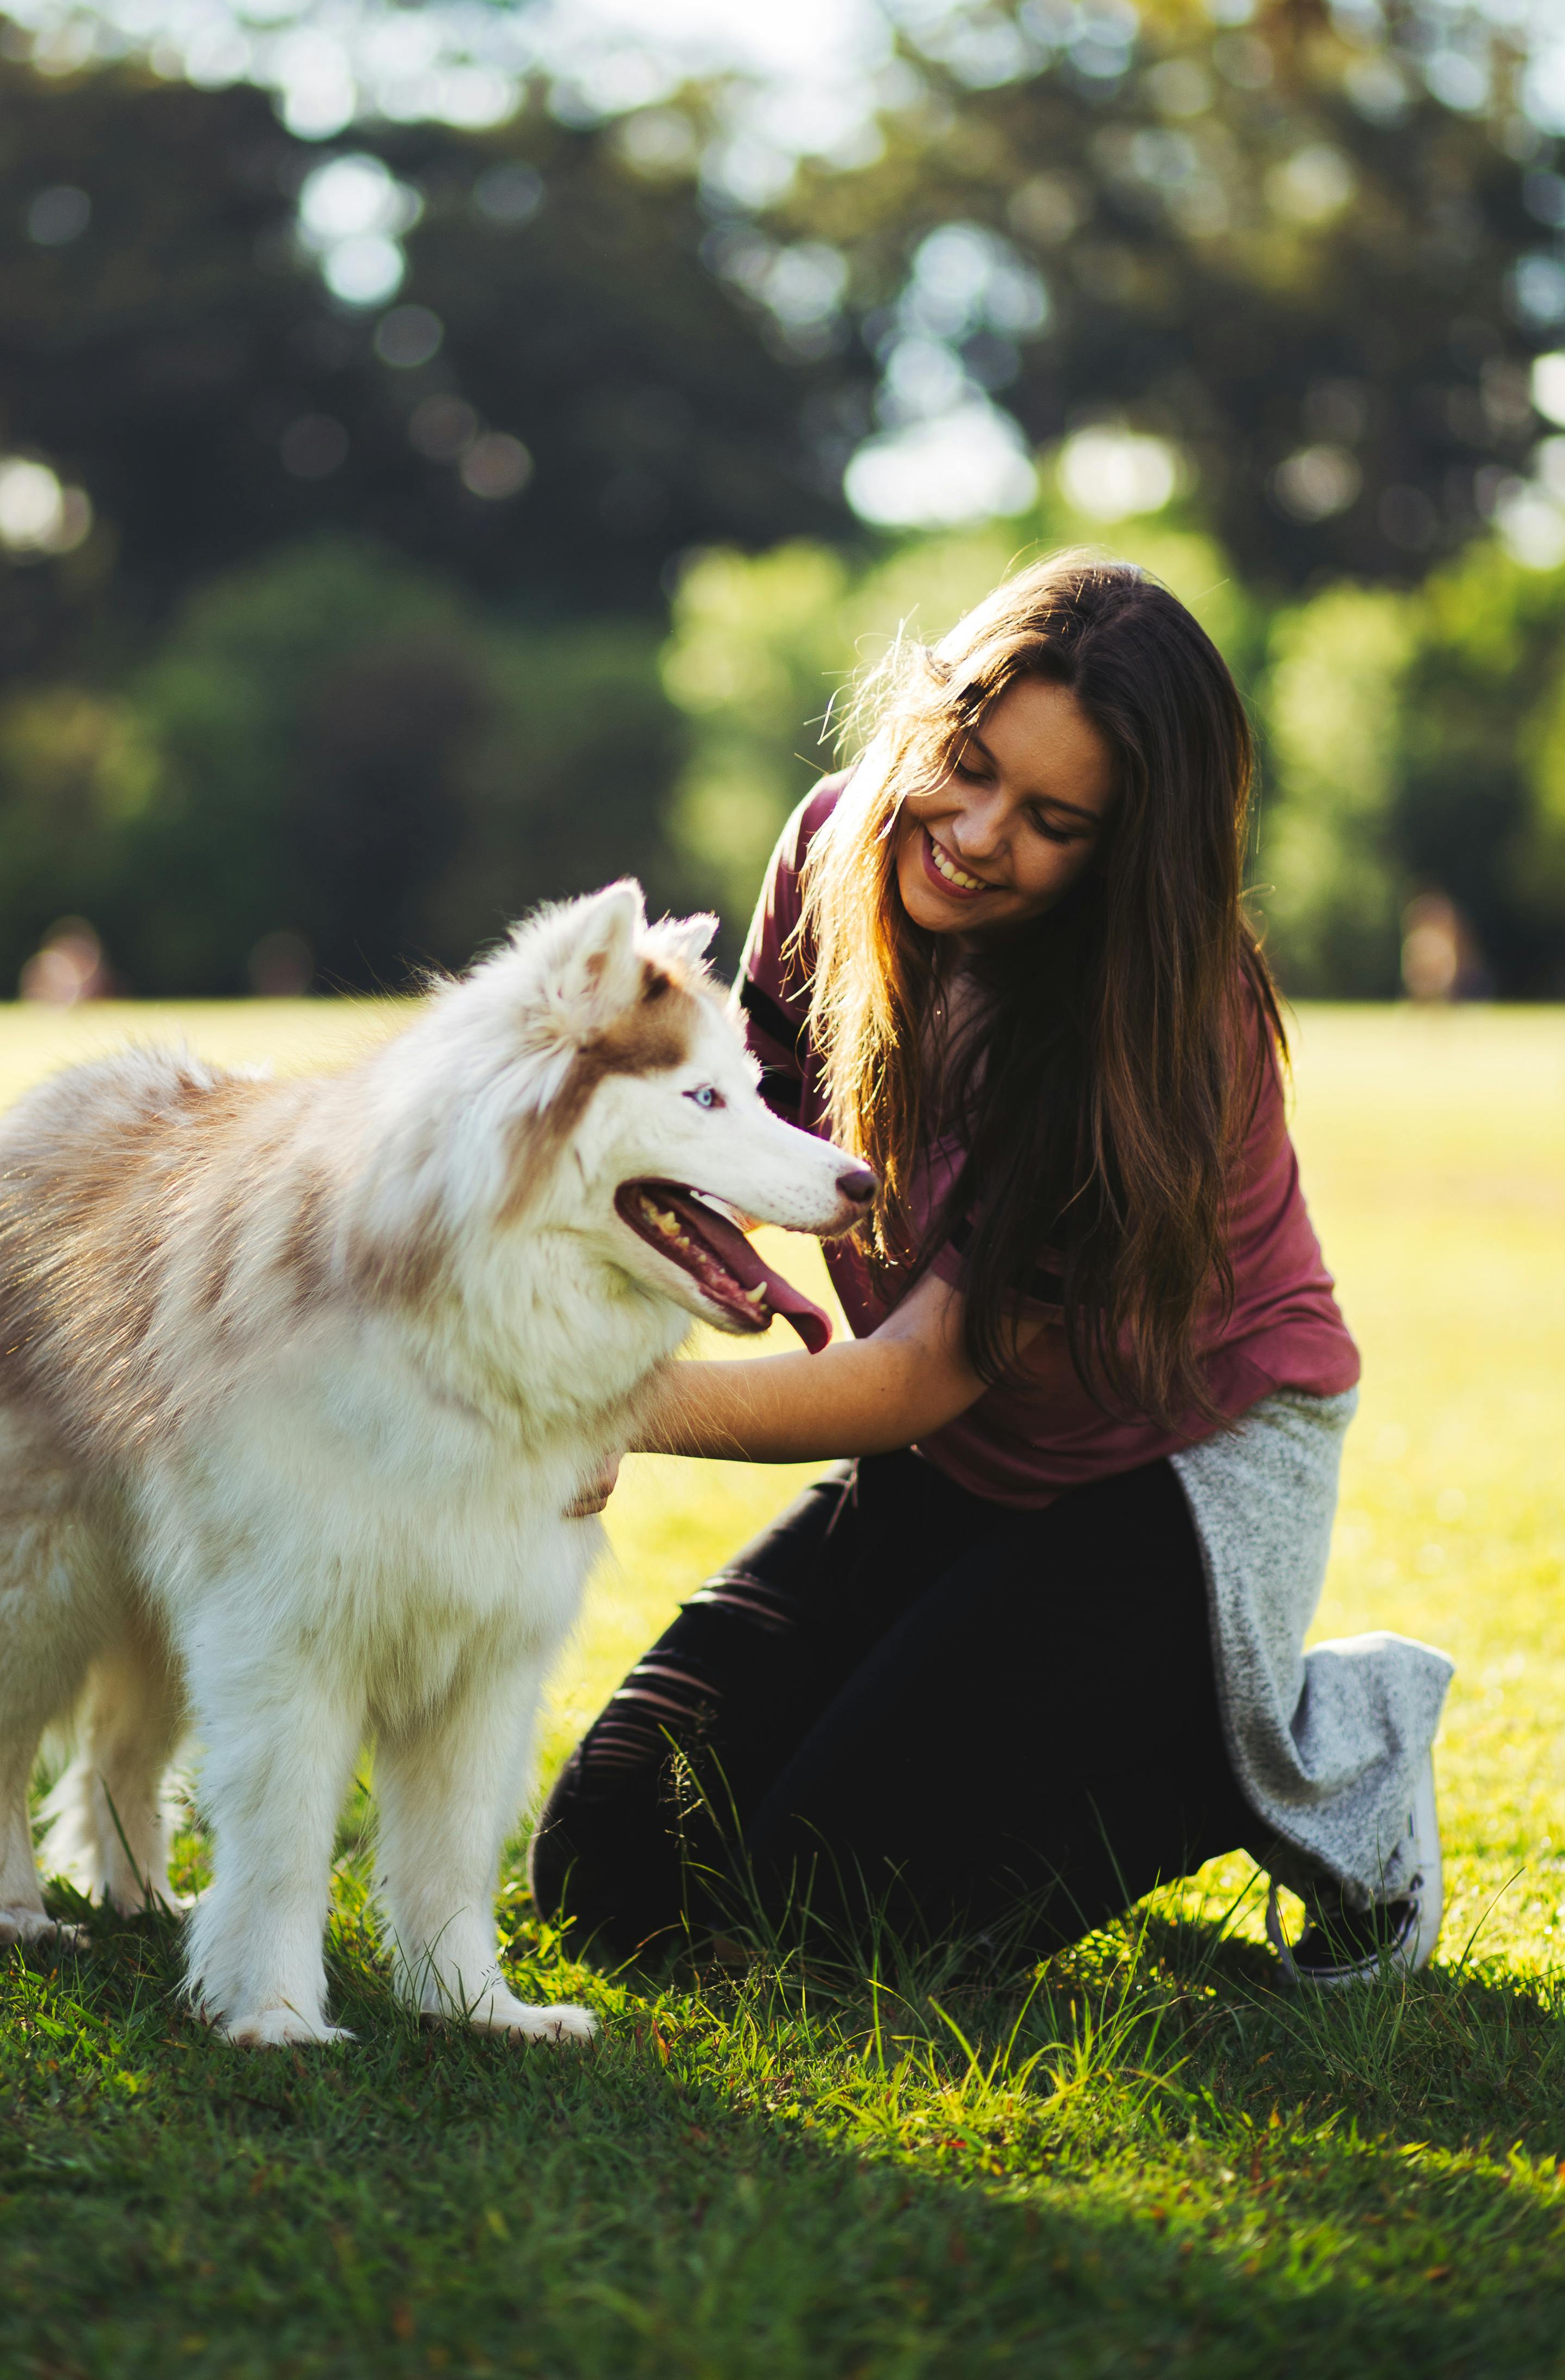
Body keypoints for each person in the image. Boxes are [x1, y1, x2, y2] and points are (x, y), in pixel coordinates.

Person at [530, 555, 1452, 1987]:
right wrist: (570, 1337)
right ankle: (1023, 1736)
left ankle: (1298, 1747)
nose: (968, 832)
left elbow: (916, 1372)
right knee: (613, 1864)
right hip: (959, 1468)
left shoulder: (1152, 1017)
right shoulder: (840, 844)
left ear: (1123, 852)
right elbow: (743, 1157)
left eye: (1051, 820)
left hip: (1173, 1485)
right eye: (964, 765)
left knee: (838, 1919)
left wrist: (607, 1405)